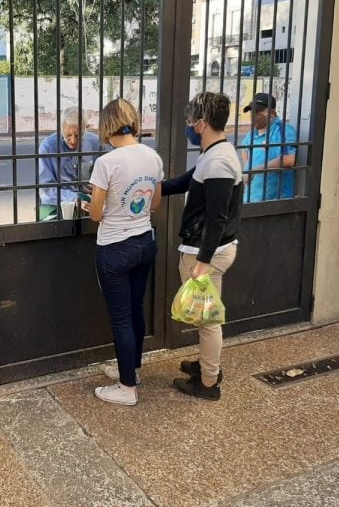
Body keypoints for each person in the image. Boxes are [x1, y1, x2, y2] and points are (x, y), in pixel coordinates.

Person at [159, 92, 243, 400]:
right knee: (206, 317)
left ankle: (209, 383)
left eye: (191, 121)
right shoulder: (216, 153)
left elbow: (216, 217)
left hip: (208, 253)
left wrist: (203, 261)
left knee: (208, 321)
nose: (188, 126)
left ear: (202, 123)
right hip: (210, 251)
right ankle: (208, 365)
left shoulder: (219, 160)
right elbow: (190, 180)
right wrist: (159, 187)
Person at [83, 98, 163, 406]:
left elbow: (95, 214)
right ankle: (133, 369)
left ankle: (127, 388)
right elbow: (154, 203)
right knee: (135, 310)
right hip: (144, 241)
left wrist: (93, 204)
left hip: (114, 248)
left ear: (107, 126)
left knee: (120, 318)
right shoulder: (152, 156)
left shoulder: (107, 162)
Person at [38, 107, 101, 220]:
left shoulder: (95, 143)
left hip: (87, 202)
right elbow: (46, 190)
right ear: (61, 128)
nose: (72, 141)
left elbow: (106, 175)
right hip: (56, 204)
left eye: (77, 135)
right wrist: (73, 198)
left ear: (85, 129)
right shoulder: (48, 146)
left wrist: (96, 186)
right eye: (68, 135)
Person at [241, 92, 297, 202]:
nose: (253, 116)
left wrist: (255, 170)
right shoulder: (253, 133)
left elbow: (288, 160)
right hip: (250, 198)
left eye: (258, 112)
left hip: (274, 202)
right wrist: (247, 168)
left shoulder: (283, 130)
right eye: (252, 112)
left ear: (272, 113)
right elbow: (244, 149)